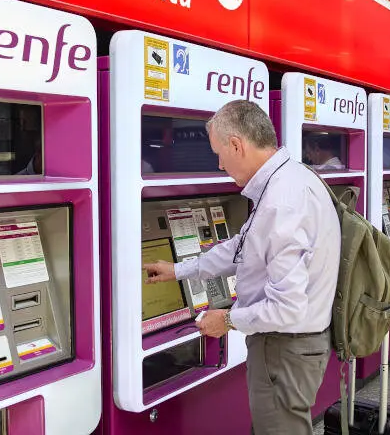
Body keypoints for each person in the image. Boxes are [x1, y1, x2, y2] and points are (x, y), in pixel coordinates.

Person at [143, 100, 340, 435]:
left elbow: (287, 308)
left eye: (219, 154)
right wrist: (179, 270)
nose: (219, 164)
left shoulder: (281, 201)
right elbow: (242, 247)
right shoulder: (291, 179)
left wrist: (227, 320)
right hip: (289, 346)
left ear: (237, 145)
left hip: (283, 347)